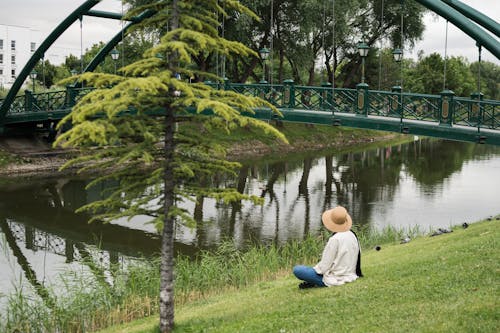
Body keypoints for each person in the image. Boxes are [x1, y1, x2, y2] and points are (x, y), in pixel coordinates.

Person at [293, 206, 363, 289]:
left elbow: (323, 268)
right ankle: (313, 281)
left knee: (298, 270)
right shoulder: (352, 234)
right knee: (309, 269)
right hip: (351, 274)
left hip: (336, 278)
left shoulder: (335, 239)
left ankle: (316, 282)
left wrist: (315, 269)